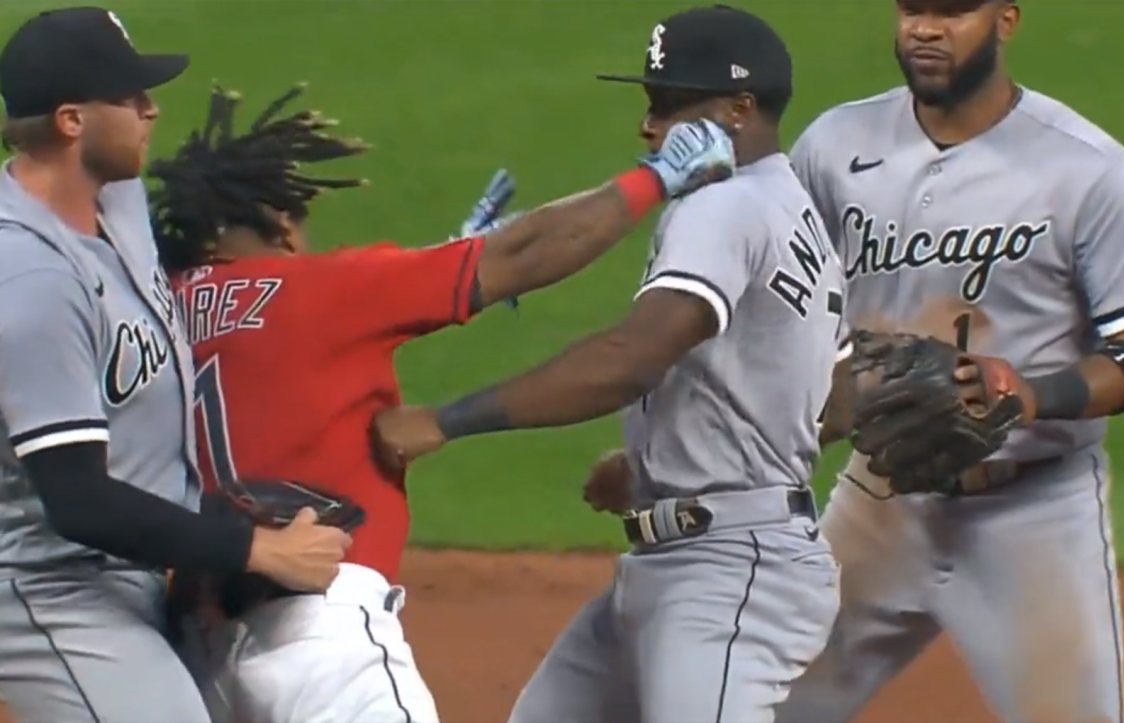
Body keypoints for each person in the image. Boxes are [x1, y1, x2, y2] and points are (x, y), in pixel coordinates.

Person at [148, 77, 735, 723]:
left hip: (189, 654)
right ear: (283, 223)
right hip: (319, 638)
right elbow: (528, 250)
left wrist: (443, 257)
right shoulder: (322, 286)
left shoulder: (153, 310)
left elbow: (264, 353)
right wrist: (656, 177)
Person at [372, 6, 854, 722]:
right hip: (693, 555)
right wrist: (662, 464)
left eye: (667, 104)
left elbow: (634, 355)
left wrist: (447, 419)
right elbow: (832, 395)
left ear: (739, 109)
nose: (648, 127)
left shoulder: (722, 208)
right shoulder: (793, 209)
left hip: (728, 572)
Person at [776, 1, 1124, 722]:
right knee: (754, 705)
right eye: (912, 8)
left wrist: (1028, 394)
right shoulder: (835, 146)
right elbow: (782, 316)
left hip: (1031, 514)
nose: (925, 28)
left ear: (1006, 19)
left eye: (953, 10)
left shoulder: (1088, 170)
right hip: (881, 497)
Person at [0, 8, 352, 723]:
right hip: (48, 587)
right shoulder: (30, 277)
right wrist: (254, 548)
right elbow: (78, 500)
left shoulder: (114, 196)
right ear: (72, 121)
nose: (151, 108)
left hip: (128, 564)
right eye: (130, 98)